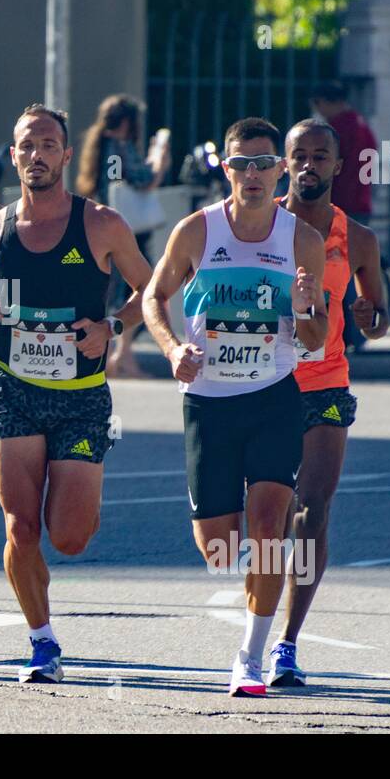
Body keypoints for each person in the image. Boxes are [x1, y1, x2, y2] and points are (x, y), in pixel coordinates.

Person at [0, 104, 154, 683]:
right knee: (20, 526)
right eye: (26, 145)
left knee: (68, 536)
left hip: (80, 397)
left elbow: (156, 288)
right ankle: (42, 642)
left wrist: (112, 327)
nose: (36, 155)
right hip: (13, 390)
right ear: (11, 155)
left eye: (48, 144)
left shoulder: (100, 224)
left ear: (66, 155)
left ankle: (81, 495)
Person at [143, 116, 327, 697]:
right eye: (241, 163)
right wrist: (173, 348)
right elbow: (154, 294)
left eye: (263, 163)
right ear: (226, 169)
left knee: (270, 525)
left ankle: (250, 657)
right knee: (219, 547)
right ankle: (242, 556)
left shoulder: (302, 240)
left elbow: (316, 339)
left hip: (274, 396)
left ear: (280, 170)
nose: (252, 174)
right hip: (209, 402)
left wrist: (303, 309)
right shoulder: (197, 231)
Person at [270, 118, 390, 687]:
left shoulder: (359, 239)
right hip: (258, 385)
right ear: (283, 162)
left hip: (324, 384)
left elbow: (380, 317)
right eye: (300, 156)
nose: (309, 165)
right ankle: (257, 622)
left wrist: (370, 318)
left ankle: (287, 644)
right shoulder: (257, 226)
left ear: (339, 166)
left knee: (311, 510)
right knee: (262, 514)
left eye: (321, 156)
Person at [74, 94, 171, 378]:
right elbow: (144, 179)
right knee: (141, 289)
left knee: (116, 291)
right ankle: (121, 357)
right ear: (128, 121)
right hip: (128, 230)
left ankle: (118, 357)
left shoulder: (99, 144)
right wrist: (159, 158)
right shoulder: (120, 146)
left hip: (105, 227)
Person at [309, 81, 378, 350]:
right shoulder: (362, 126)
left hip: (341, 206)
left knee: (339, 272)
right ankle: (357, 331)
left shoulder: (336, 131)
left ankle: (351, 333)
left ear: (327, 102)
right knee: (355, 270)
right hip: (360, 203)